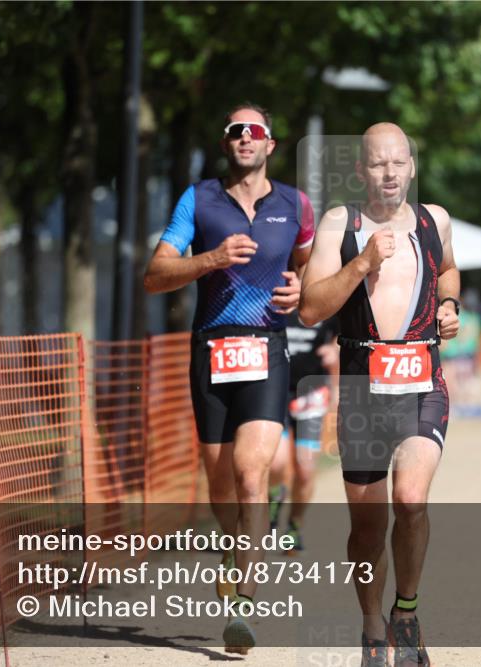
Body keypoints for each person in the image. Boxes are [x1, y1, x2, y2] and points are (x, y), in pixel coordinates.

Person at [143, 103, 315, 655]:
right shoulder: (199, 199)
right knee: (220, 486)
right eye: (235, 130)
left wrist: (300, 292)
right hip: (211, 351)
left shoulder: (295, 203)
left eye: (256, 130)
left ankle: (245, 603)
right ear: (227, 144)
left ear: (271, 143)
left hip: (267, 346)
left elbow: (309, 266)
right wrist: (210, 258)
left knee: (249, 474)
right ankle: (230, 545)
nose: (245, 137)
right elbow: (154, 275)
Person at [300, 123, 460, 667]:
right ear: (361, 171)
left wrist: (450, 303)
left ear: (412, 166)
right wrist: (362, 263)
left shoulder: (435, 221)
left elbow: (451, 269)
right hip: (362, 389)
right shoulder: (339, 224)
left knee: (411, 499)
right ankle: (372, 625)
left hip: (422, 382)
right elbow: (310, 308)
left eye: (398, 163)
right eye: (377, 164)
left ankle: (407, 613)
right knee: (366, 528)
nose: (389, 174)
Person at [267, 312, 338, 551]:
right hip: (275, 392)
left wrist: (335, 353)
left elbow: (343, 339)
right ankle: (275, 495)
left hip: (311, 394)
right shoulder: (275, 305)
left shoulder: (326, 303)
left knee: (305, 469)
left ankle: (294, 526)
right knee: (276, 463)